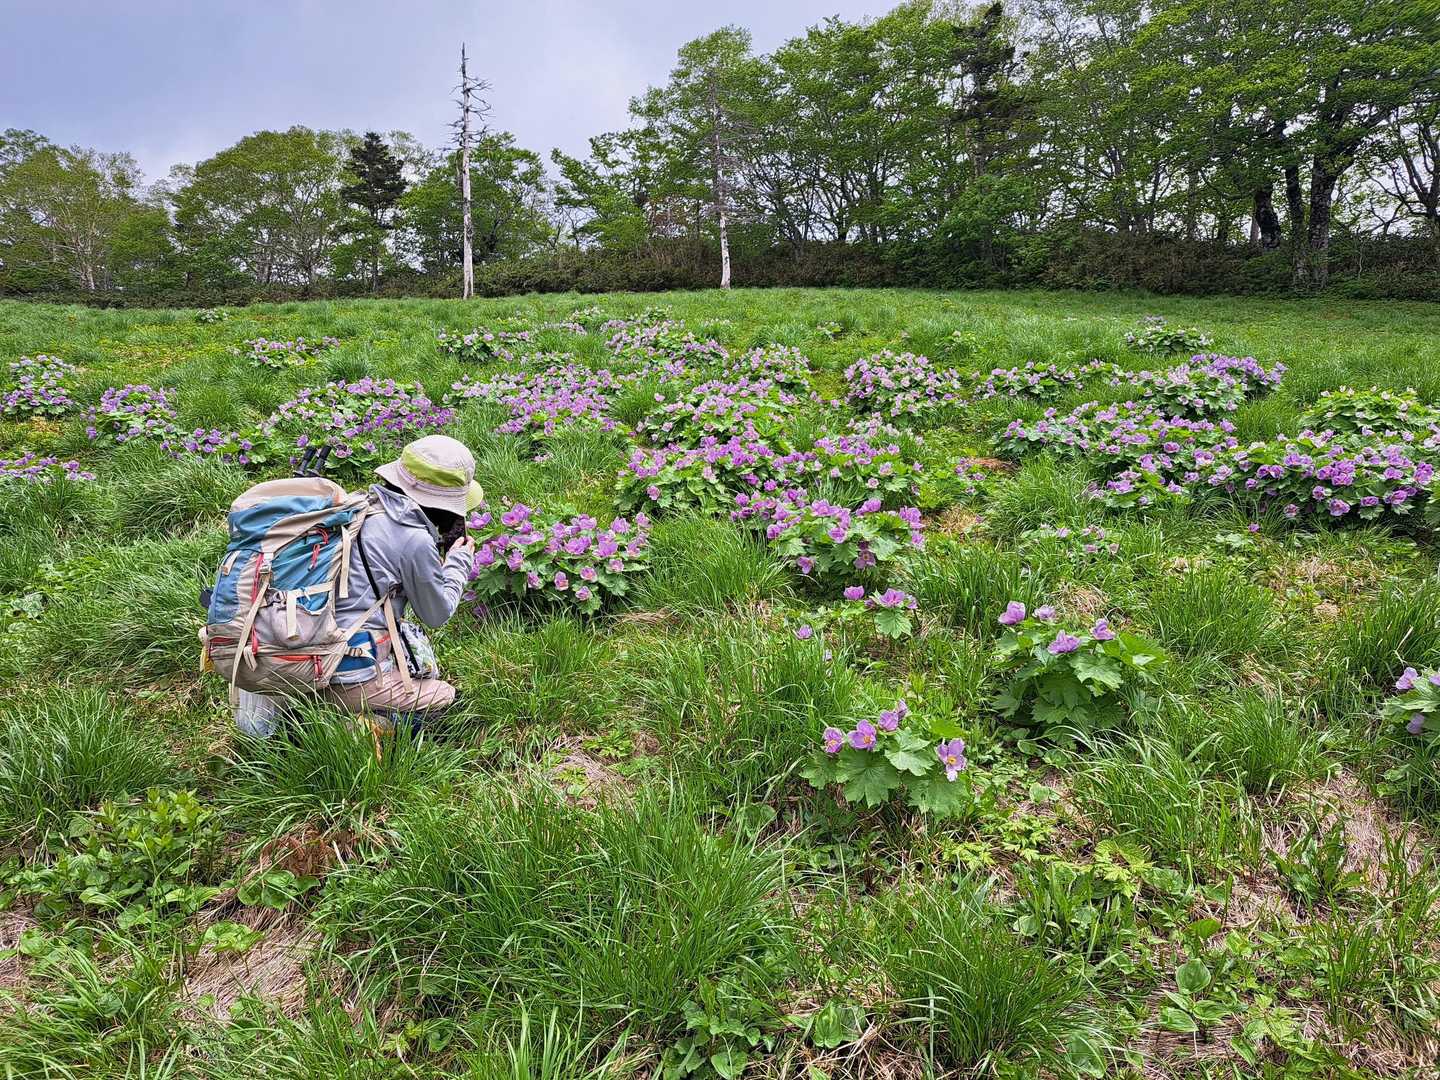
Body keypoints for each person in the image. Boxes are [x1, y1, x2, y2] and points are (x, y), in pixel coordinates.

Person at [323, 434, 480, 724]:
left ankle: (308, 708)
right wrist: (458, 563)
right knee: (450, 704)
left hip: (297, 658)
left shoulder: (359, 507)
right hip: (345, 672)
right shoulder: (413, 538)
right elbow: (435, 614)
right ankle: (363, 725)